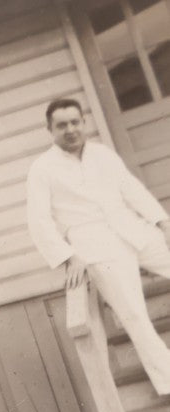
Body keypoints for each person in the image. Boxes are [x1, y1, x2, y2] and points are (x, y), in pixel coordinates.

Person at [27, 97, 170, 394]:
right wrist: (68, 257)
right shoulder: (42, 168)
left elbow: (132, 190)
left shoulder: (102, 155)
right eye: (62, 125)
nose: (70, 129)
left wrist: (162, 222)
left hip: (131, 229)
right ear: (49, 129)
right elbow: (38, 221)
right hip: (95, 245)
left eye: (75, 122)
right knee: (134, 314)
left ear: (83, 122)